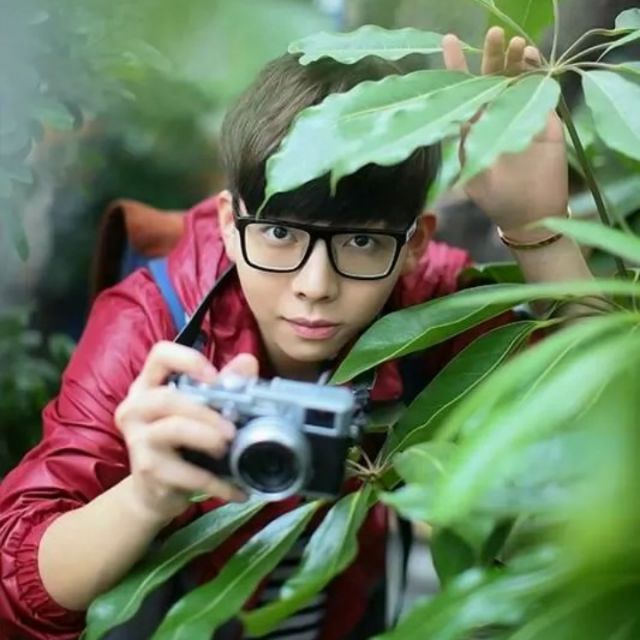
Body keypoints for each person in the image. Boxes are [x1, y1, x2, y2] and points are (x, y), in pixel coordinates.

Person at [0, 28, 595, 640]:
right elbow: (14, 586)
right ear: (229, 224)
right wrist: (145, 495)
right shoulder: (154, 321)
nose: (315, 285)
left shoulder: (434, 308)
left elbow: (601, 443)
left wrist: (536, 226)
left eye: (361, 241)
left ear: (414, 244)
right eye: (280, 234)